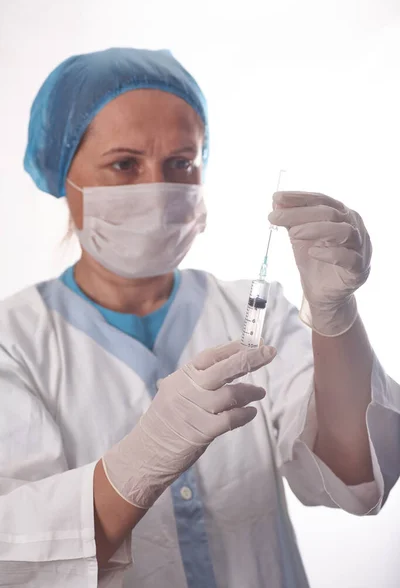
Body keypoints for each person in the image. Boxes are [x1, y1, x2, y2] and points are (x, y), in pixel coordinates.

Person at [0, 47, 399, 588]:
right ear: (62, 173)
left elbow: (358, 479)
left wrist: (335, 318)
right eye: (124, 164)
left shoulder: (254, 310)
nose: (156, 188)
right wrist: (140, 463)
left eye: (181, 163)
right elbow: (16, 556)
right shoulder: (14, 342)